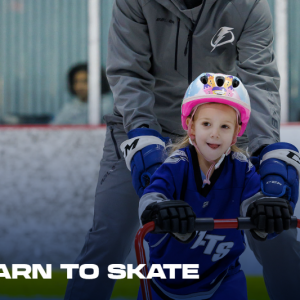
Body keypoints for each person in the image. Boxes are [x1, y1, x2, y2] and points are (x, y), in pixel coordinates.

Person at [64, 1, 300, 299]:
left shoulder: (249, 5)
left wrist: (266, 151)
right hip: (142, 126)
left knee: (276, 231)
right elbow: (129, 73)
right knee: (109, 238)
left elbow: (259, 80)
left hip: (218, 128)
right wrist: (143, 141)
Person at [137, 72, 294, 300]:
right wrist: (159, 208)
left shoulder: (241, 167)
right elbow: (152, 196)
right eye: (206, 123)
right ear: (191, 127)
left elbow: (253, 200)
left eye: (224, 127)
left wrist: (264, 207)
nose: (214, 133)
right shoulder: (177, 163)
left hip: (223, 282)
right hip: (163, 286)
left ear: (236, 133)